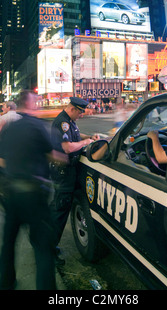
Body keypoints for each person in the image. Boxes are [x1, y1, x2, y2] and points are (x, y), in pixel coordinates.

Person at [0, 90, 66, 290]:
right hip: (34, 195)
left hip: (11, 193)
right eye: (36, 101)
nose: (38, 105)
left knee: (8, 243)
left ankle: (6, 284)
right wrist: (62, 158)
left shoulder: (10, 127)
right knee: (43, 248)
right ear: (29, 103)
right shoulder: (37, 126)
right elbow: (54, 155)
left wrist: (15, 164)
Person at [50, 97, 99, 265]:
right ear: (72, 109)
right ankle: (48, 250)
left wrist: (88, 137)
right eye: (80, 112)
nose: (81, 115)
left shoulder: (69, 121)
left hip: (67, 171)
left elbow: (75, 136)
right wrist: (86, 142)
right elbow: (67, 147)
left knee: (59, 208)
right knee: (60, 211)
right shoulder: (62, 122)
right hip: (63, 172)